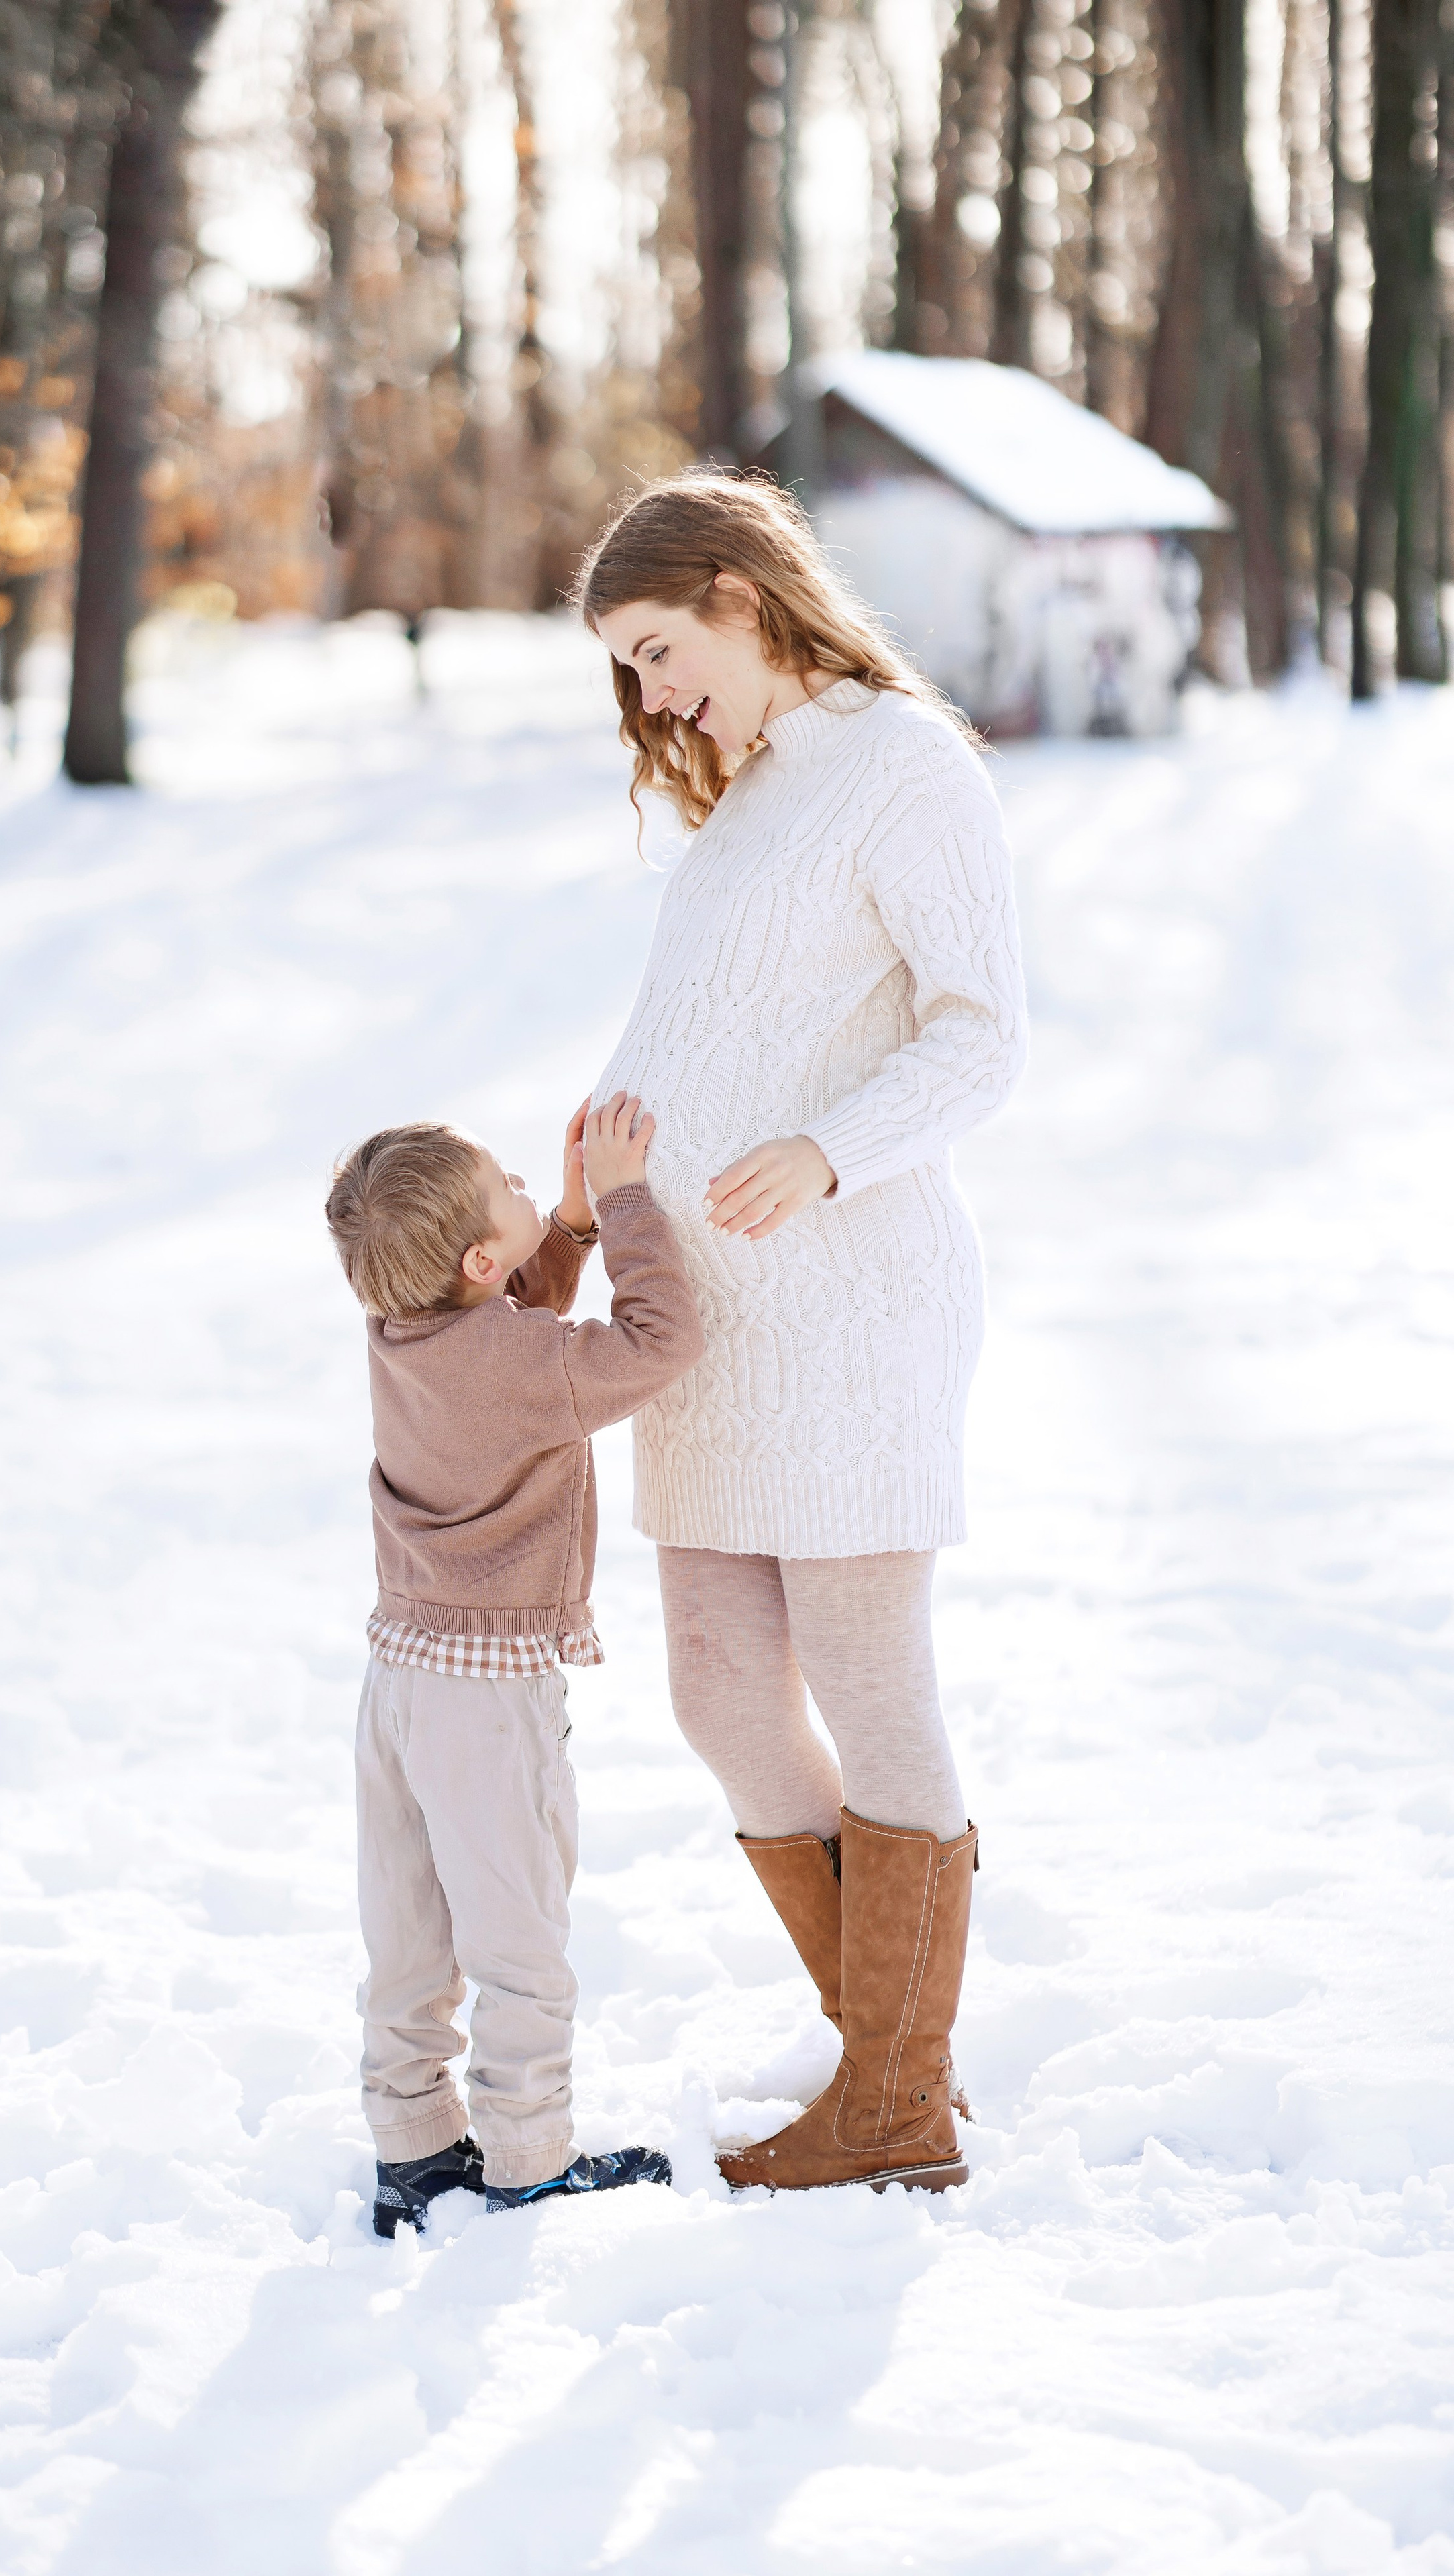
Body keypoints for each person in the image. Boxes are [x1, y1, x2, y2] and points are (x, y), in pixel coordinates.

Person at [574, 473, 1028, 2197]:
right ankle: (892, 2065)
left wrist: (829, 1151)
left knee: (860, 1671)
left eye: (660, 649)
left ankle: (894, 2102)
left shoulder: (905, 768)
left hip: (850, 1301)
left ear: (743, 597)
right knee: (714, 1693)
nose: (650, 694)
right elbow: (696, 1028)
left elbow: (983, 1037)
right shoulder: (751, 797)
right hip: (706, 1317)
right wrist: (595, 1177)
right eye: (625, 669)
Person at [325, 1093, 703, 2234]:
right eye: (517, 1190)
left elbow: (507, 1324)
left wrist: (567, 1225)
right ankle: (530, 2152)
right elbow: (660, 1344)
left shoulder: (406, 1332)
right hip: (488, 1697)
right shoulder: (514, 1359)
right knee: (519, 1933)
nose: (536, 1189)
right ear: (484, 1256)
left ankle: (413, 2145)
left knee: (411, 1931)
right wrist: (628, 1203)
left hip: (398, 1679)